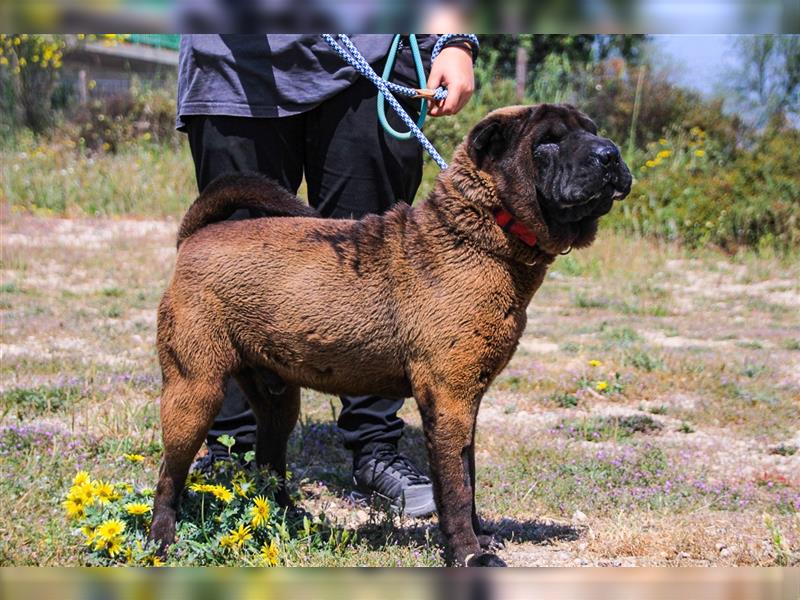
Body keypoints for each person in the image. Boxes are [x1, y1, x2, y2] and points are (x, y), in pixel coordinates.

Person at [175, 34, 477, 518]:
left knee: (379, 272)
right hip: (234, 64)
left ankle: (376, 449)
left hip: (371, 56)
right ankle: (233, 455)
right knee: (233, 275)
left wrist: (455, 41)